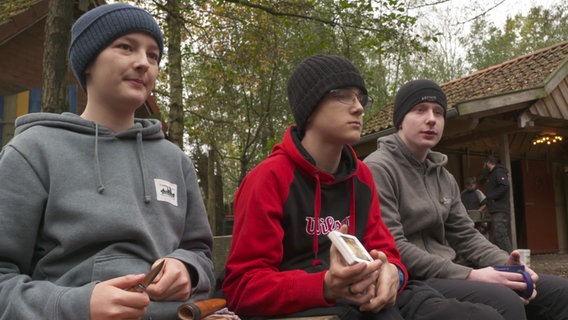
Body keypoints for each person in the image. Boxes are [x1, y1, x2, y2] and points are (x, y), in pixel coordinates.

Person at [221, 55, 504, 320]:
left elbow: (387, 251)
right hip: (313, 307)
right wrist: (326, 286)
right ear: (309, 108)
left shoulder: (362, 176)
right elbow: (242, 287)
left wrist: (394, 272)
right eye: (342, 96)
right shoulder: (268, 179)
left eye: (360, 97)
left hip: (374, 297)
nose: (358, 107)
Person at [0, 3, 214, 319]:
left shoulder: (175, 161)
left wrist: (188, 268)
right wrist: (75, 306)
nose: (144, 63)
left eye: (153, 55)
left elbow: (202, 256)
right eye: (126, 47)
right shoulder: (32, 152)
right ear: (88, 61)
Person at [364, 79, 568, 320]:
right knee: (507, 302)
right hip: (413, 279)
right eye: (420, 110)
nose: (431, 119)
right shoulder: (377, 169)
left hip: (451, 272)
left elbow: (466, 235)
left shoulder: (444, 176)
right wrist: (470, 275)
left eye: (438, 112)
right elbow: (394, 246)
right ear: (400, 120)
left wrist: (506, 263)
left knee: (560, 293)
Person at [482, 155, 513, 252]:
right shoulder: (493, 174)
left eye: (484, 164)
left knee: (500, 234)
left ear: (488, 163)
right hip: (496, 209)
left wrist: (491, 197)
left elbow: (504, 186)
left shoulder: (498, 172)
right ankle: (503, 260)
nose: (484, 167)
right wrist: (486, 202)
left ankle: (511, 259)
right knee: (496, 235)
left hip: (500, 209)